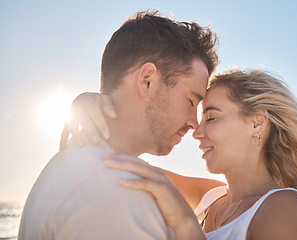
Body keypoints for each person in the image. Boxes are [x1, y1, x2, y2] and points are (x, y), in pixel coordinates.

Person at [63, 68, 297, 239]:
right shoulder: (211, 199)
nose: (196, 131)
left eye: (211, 118)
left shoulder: (285, 207)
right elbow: (114, 166)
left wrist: (185, 224)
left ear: (257, 123)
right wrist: (91, 106)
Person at [18, 10, 219, 240]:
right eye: (191, 101)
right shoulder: (116, 192)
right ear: (147, 81)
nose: (194, 123)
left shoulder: (79, 161)